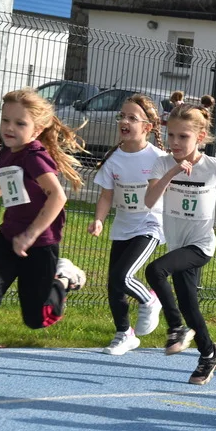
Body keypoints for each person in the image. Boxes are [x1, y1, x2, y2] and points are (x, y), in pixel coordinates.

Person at [0, 88, 88, 393]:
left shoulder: (37, 157)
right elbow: (5, 182)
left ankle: (63, 280)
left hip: (39, 247)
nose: (10, 128)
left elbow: (57, 195)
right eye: (6, 120)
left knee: (36, 319)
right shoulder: (9, 152)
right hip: (8, 242)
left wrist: (31, 234)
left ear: (37, 129)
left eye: (20, 123)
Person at [144, 103, 216, 385]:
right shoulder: (162, 162)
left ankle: (176, 329)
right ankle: (209, 354)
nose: (175, 142)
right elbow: (148, 201)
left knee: (155, 271)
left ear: (200, 136)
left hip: (200, 245)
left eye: (183, 137)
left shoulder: (214, 166)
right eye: (171, 136)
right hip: (177, 245)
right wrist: (172, 172)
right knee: (189, 303)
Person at [88, 94, 166, 355]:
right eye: (122, 116)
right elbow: (106, 196)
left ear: (147, 127)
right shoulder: (114, 159)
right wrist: (99, 220)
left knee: (123, 276)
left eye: (132, 117)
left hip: (149, 225)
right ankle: (125, 334)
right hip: (123, 226)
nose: (124, 120)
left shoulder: (158, 158)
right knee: (114, 283)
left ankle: (149, 299)